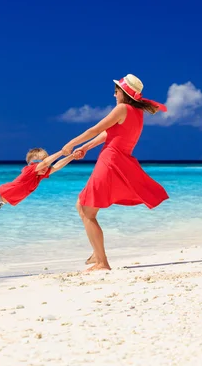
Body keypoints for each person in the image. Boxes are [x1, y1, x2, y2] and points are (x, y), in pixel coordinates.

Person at [62, 74, 169, 271]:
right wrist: (85, 148)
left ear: (123, 93)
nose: (114, 94)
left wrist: (70, 144)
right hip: (119, 161)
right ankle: (97, 251)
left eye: (116, 91)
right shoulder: (136, 113)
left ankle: (102, 263)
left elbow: (95, 129)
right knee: (82, 203)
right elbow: (108, 134)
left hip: (110, 162)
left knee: (87, 210)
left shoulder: (121, 108)